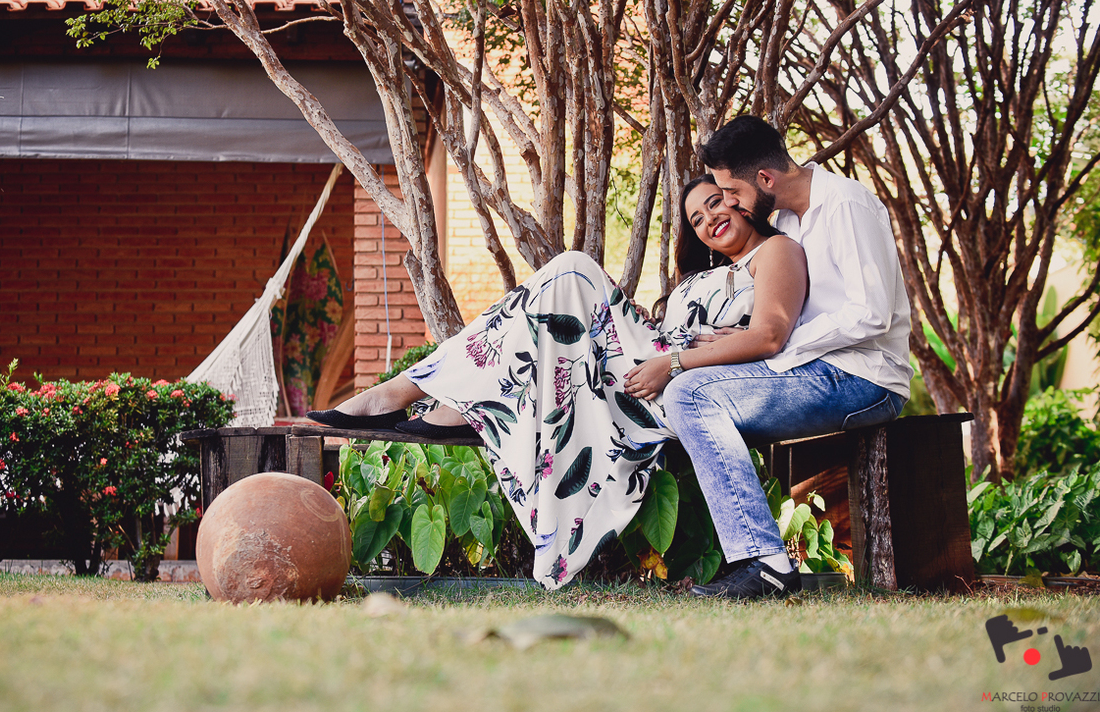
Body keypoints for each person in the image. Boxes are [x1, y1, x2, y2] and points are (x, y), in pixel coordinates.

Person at [309, 175, 807, 589]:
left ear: (742, 201)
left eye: (715, 203)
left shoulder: (776, 251)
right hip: (649, 363)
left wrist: (681, 358)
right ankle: (438, 397)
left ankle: (415, 395)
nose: (708, 219)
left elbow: (773, 335)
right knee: (553, 300)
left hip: (674, 382)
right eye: (696, 218)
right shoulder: (703, 277)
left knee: (573, 269)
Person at [663, 115, 913, 600]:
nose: (730, 204)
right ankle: (762, 560)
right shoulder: (788, 221)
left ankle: (767, 564)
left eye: (731, 192)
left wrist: (777, 342)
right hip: (816, 369)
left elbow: (872, 313)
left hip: (865, 377)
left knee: (690, 394)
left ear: (765, 179)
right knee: (687, 392)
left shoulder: (846, 205)